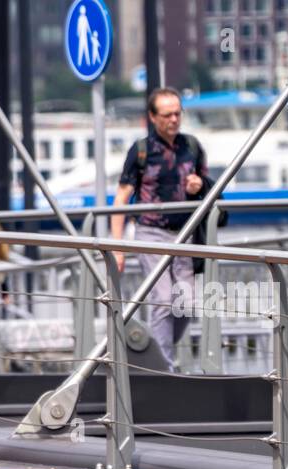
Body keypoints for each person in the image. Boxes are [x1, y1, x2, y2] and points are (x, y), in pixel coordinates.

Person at [112, 86, 211, 370]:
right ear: (153, 118)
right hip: (150, 232)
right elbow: (121, 198)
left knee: (187, 304)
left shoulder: (191, 146)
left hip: (184, 233)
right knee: (163, 300)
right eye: (167, 115)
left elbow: (207, 185)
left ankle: (160, 354)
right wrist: (117, 247)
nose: (173, 120)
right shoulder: (141, 151)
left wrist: (199, 185)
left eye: (177, 113)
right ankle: (163, 369)